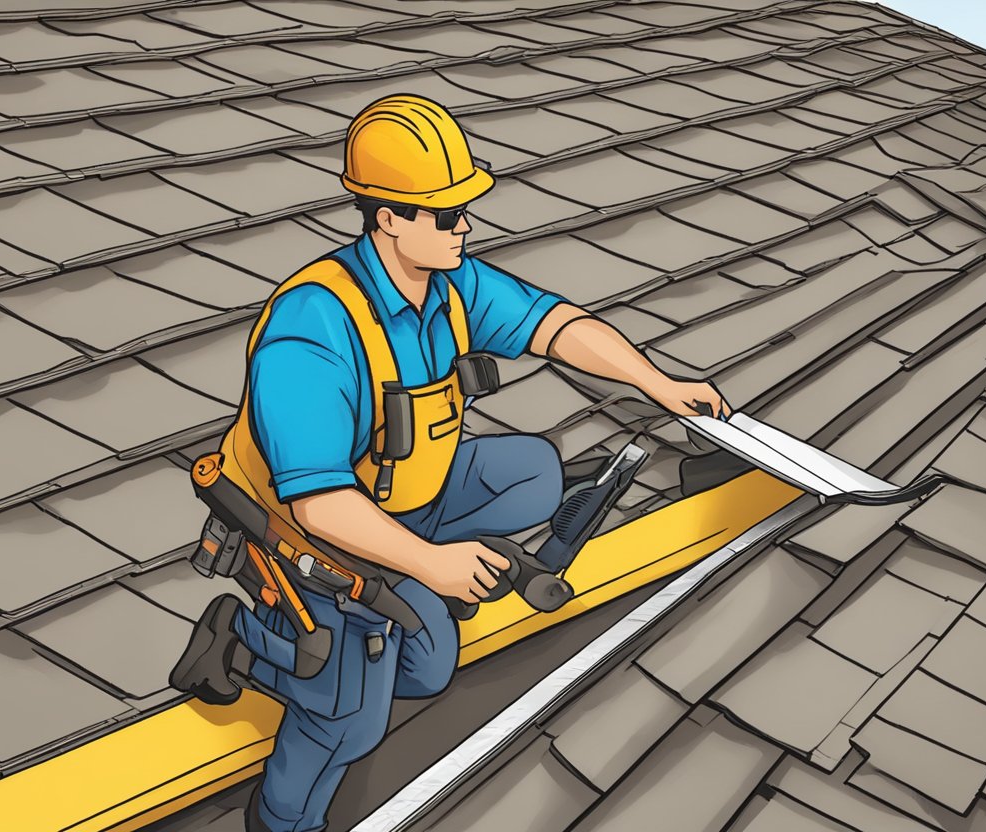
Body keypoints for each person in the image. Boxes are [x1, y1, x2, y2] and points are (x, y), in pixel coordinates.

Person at [169, 93, 731, 832]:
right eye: (445, 213)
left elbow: (558, 325)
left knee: (519, 496)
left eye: (463, 207)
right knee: (346, 722)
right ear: (387, 218)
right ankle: (243, 653)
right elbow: (321, 505)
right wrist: (431, 567)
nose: (465, 225)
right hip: (313, 532)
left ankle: (366, 605)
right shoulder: (311, 328)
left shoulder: (450, 283)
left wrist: (658, 384)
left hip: (402, 496)